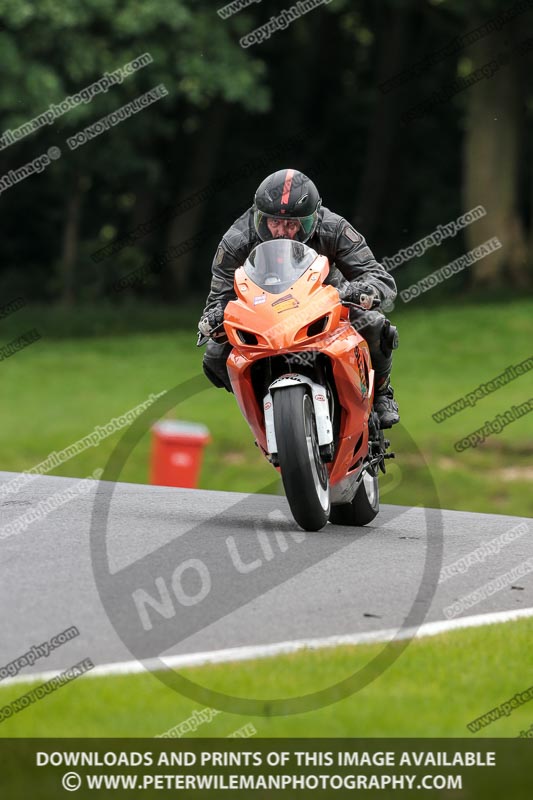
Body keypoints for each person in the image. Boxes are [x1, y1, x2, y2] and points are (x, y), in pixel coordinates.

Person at [198, 169, 399, 428]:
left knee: (373, 323)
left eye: (292, 224)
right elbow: (219, 298)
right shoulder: (236, 240)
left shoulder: (333, 227)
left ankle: (382, 393)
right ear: (260, 218)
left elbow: (377, 276)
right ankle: (263, 409)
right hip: (263, 314)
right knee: (215, 356)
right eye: (274, 222)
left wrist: (361, 292)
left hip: (327, 305)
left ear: (310, 220)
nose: (282, 231)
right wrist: (214, 317)